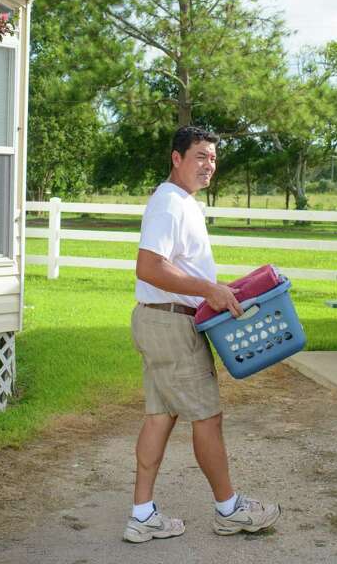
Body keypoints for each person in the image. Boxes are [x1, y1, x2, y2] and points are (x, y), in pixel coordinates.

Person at [122, 125, 281, 544]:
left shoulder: (182, 202)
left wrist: (218, 290)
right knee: (207, 416)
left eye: (212, 157)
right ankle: (229, 509)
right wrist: (208, 289)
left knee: (160, 416)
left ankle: (142, 514)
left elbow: (181, 267)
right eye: (199, 156)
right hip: (171, 324)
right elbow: (149, 267)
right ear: (176, 158)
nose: (208, 165)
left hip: (161, 320)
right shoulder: (169, 204)